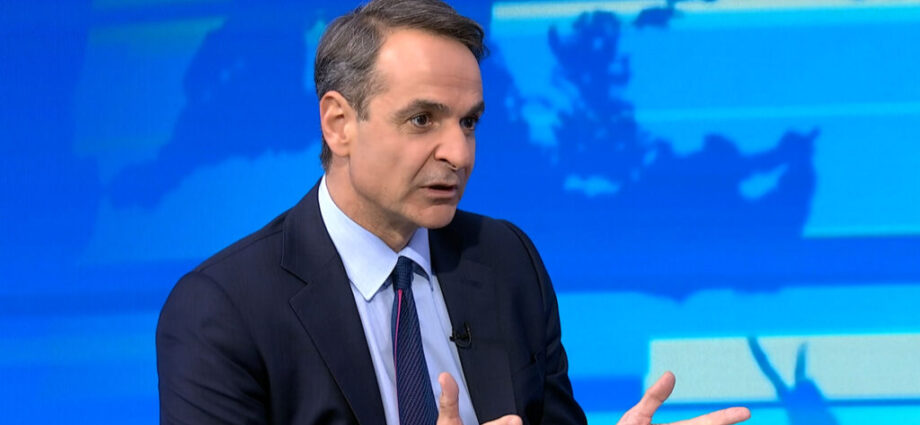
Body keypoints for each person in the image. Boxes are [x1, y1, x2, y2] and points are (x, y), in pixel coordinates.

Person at [155, 1, 752, 424]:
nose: (459, 154)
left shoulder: (505, 260)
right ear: (339, 124)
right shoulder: (222, 311)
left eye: (469, 122)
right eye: (423, 120)